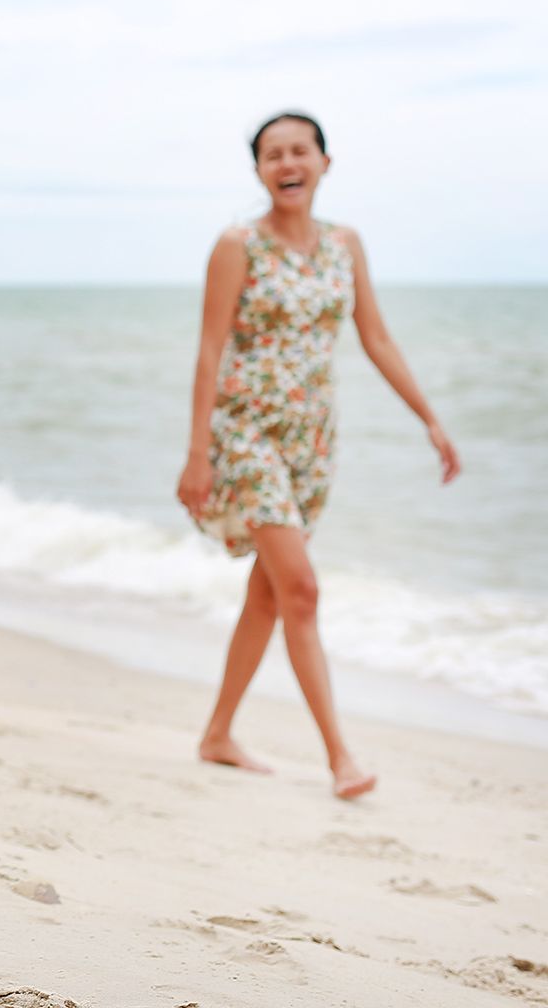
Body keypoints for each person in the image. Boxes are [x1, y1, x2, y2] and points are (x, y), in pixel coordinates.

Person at [177, 113, 461, 800]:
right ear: (259, 172)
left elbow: (377, 339)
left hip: (313, 441)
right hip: (246, 434)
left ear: (325, 162)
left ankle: (217, 735)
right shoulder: (237, 245)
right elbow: (211, 349)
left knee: (271, 595)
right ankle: (342, 759)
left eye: (298, 150)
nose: (286, 163)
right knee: (301, 589)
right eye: (271, 155)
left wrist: (430, 419)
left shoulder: (345, 245)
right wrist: (197, 455)